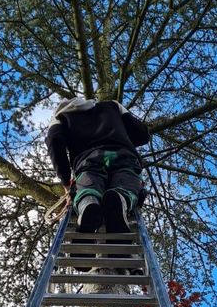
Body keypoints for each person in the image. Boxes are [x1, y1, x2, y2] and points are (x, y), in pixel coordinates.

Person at [46, 97, 149, 234]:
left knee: (88, 187)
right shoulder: (113, 105)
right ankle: (120, 198)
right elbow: (142, 134)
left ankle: (88, 204)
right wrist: (121, 134)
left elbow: (54, 140)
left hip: (87, 160)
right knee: (126, 182)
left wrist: (66, 181)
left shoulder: (61, 113)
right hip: (123, 155)